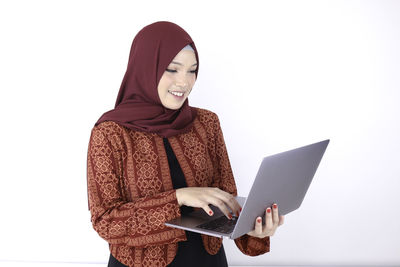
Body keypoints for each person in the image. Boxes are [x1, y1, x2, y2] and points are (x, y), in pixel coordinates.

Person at [86, 21, 284, 267]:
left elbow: (227, 202)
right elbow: (105, 221)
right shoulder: (111, 133)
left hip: (208, 262)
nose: (185, 82)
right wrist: (178, 197)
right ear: (147, 68)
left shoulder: (206, 123)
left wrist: (253, 231)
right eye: (172, 69)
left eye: (192, 70)